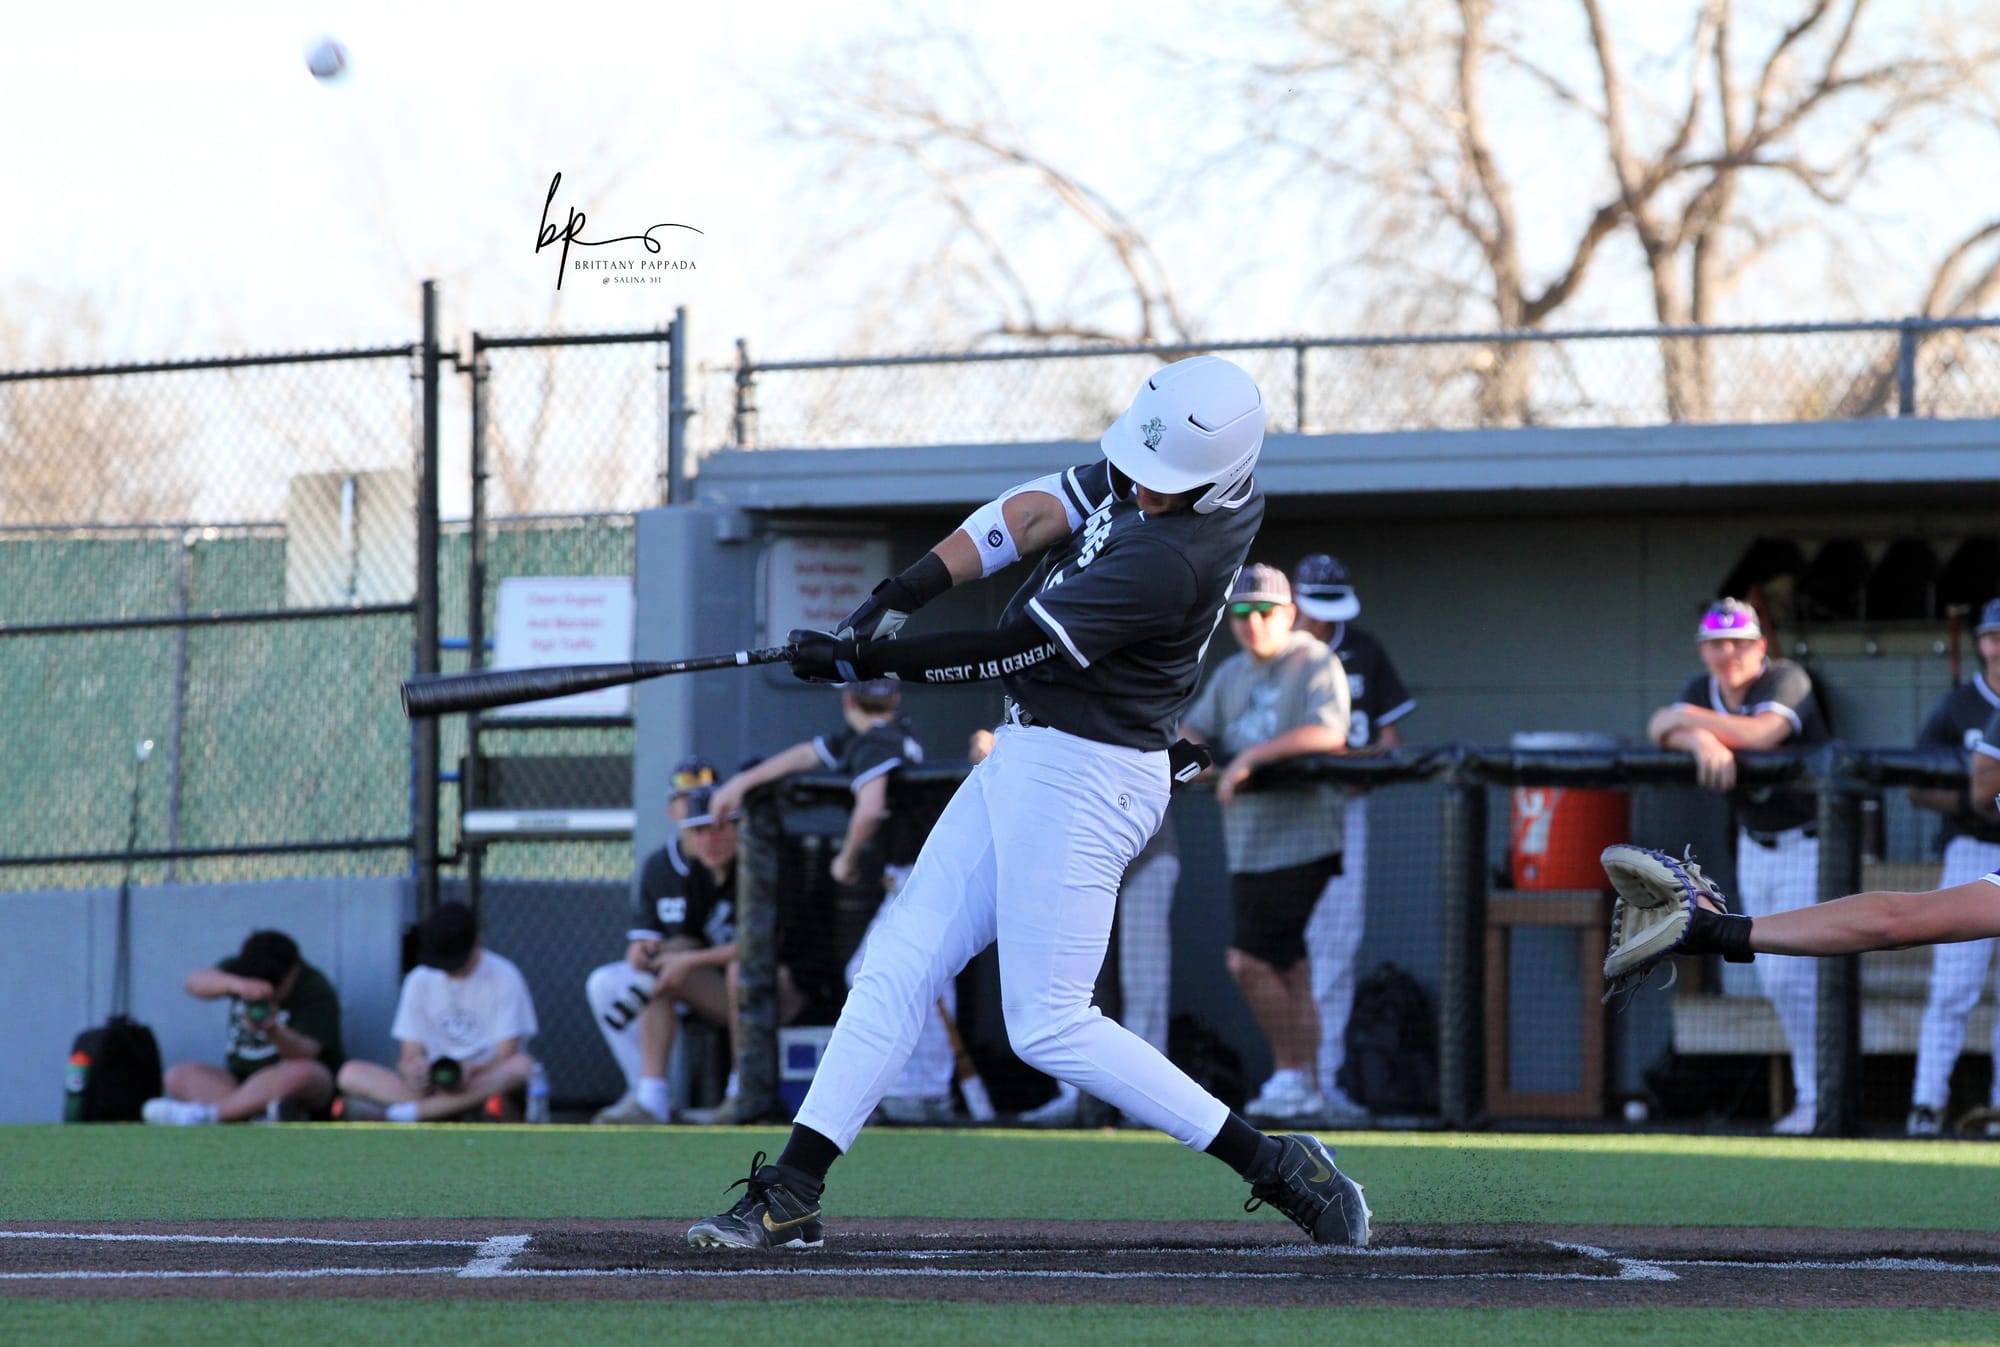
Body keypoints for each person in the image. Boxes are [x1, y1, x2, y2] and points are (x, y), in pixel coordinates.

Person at [683, 354, 1370, 1252]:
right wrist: (900, 594)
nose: (1139, 488)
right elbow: (1035, 511)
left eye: (1163, 483)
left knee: (1048, 1023)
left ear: (1216, 478)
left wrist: (865, 659)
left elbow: (1010, 649)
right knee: (896, 961)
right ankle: (793, 1188)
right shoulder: (1158, 464)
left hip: (1088, 775)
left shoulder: (1173, 558)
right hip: (1029, 753)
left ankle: (1279, 1165)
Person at [698, 678, 930, 1124]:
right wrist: (744, 782)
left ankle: (918, 1092)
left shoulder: (877, 739)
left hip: (917, 874)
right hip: (924, 875)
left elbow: (869, 807)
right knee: (901, 977)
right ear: (895, 699)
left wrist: (845, 858)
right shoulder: (886, 733)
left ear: (847, 700)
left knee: (884, 976)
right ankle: (917, 1091)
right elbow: (807, 754)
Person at [1647, 596, 1832, 1135]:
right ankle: (1815, 1097)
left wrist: (1688, 722)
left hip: (1813, 844)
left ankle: (1820, 1100)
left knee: (1794, 977)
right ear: (1702, 650)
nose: (1727, 653)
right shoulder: (1700, 690)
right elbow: (1658, 725)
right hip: (1756, 844)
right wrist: (1699, 737)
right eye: (1716, 644)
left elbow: (1762, 733)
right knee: (1776, 978)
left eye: (1738, 643)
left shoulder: (1786, 678)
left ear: (1760, 646)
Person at [1180, 563, 1353, 1127]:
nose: (1252, 623)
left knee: (1247, 962)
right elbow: (1189, 729)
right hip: (1248, 844)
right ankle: (1309, 1084)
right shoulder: (1231, 673)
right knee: (1289, 967)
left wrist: (1250, 758)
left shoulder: (1314, 660)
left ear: (1289, 613)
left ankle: (1291, 1072)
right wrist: (1203, 760)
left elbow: (1329, 732)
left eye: (1263, 611)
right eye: (1241, 612)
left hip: (1302, 841)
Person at [974, 722, 1181, 1129]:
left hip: (1145, 850)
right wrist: (1002, 750)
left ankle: (1149, 1104)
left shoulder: (1126, 701)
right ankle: (1077, 1097)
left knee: (1143, 983)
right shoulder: (1037, 702)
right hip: (1074, 854)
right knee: (1070, 983)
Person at [1290, 553, 1417, 1121]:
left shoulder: (1363, 648)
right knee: (1279, 951)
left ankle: (1326, 1079)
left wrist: (1348, 761)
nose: (1321, 617)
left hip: (1346, 807)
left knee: (1337, 948)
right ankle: (1290, 1078)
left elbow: (1390, 741)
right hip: (1285, 811)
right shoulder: (1276, 651)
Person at [586, 758, 741, 1125]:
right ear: (674, 811)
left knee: (733, 971)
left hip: (757, 982)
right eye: (688, 802)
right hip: (696, 980)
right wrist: (649, 956)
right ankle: (648, 1096)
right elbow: (645, 945)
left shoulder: (748, 862)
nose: (708, 836)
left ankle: (741, 1092)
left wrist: (684, 959)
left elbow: (762, 949)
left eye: (708, 802)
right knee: (615, 981)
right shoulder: (668, 865)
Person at [1908, 598, 2000, 1134]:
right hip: (1973, 847)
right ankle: (1927, 1104)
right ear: (1982, 643)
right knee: (1953, 986)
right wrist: (1972, 801)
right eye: (1994, 636)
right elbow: (1916, 786)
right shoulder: (1959, 705)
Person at [334, 902, 539, 1123]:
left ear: (477, 941)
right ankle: (443, 1109)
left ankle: (398, 1115)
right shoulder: (419, 979)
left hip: (480, 1082)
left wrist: (470, 1070)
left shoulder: (505, 977)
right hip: (432, 1085)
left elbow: (505, 1054)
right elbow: (409, 1052)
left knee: (521, 1066)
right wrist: (414, 1070)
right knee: (350, 1073)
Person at [141, 930, 344, 1125]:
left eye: (275, 986)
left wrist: (273, 1031)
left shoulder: (315, 988)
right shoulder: (241, 970)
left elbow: (307, 1053)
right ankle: (256, 1116)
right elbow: (194, 983)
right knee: (178, 1076)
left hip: (288, 1083)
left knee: (305, 1073)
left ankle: (210, 1115)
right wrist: (237, 985)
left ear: (292, 972)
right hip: (238, 1082)